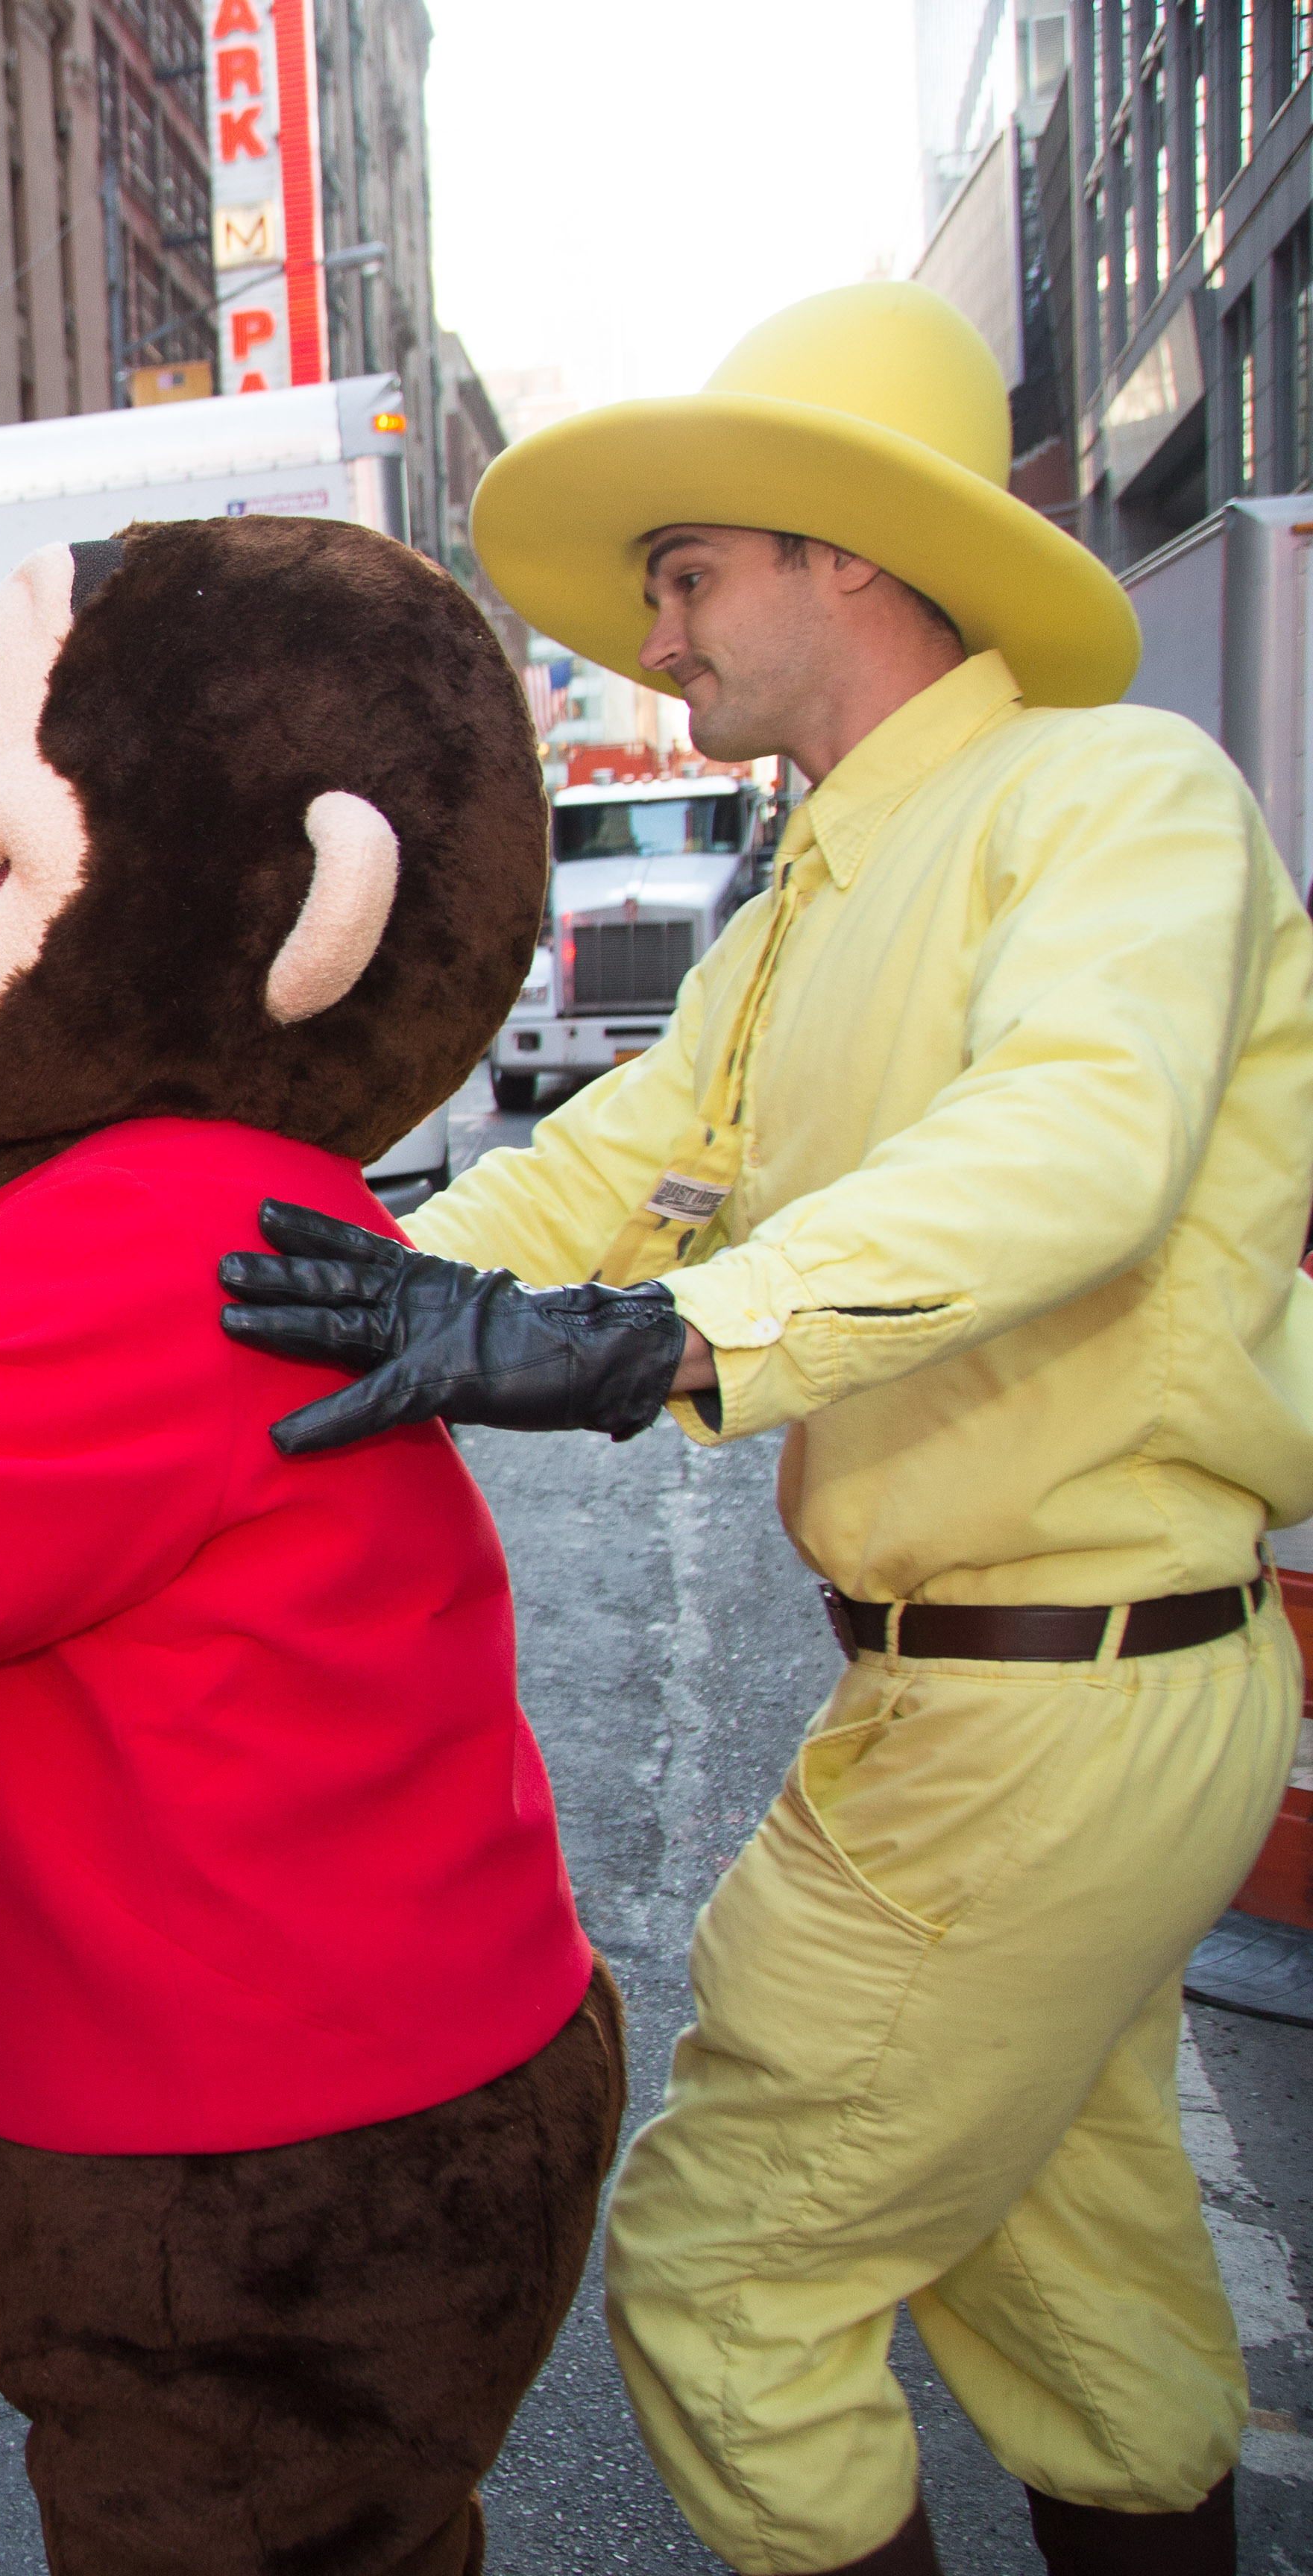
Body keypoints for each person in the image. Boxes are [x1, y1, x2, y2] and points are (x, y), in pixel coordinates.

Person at [219, 280, 1313, 2576]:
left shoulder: (1117, 797)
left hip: (1045, 1702)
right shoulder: (809, 891)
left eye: (689, 576)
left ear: (850, 553)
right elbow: (605, 1156)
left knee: (724, 2285)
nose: (660, 643)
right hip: (1042, 1694)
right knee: (1075, 2287)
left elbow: (1075, 1149)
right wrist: (265, 1278)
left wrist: (645, 1345)